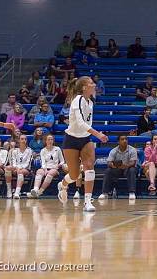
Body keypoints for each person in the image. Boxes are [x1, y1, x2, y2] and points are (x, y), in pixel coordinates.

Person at [57, 76, 109, 212]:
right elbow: (80, 123)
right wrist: (98, 134)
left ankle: (87, 201)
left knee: (89, 166)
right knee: (74, 175)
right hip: (71, 139)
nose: (94, 84)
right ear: (84, 87)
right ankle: (63, 184)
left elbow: (87, 124)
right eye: (91, 83)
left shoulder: (90, 102)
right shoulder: (77, 100)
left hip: (85, 139)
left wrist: (92, 135)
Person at [99, 135, 138, 201]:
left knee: (132, 170)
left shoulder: (132, 150)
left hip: (128, 168)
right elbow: (109, 162)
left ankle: (132, 192)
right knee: (108, 171)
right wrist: (112, 165)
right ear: (118, 142)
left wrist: (125, 166)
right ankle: (104, 192)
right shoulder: (113, 151)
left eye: (126, 139)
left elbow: (133, 163)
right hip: (117, 169)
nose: (125, 141)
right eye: (122, 139)